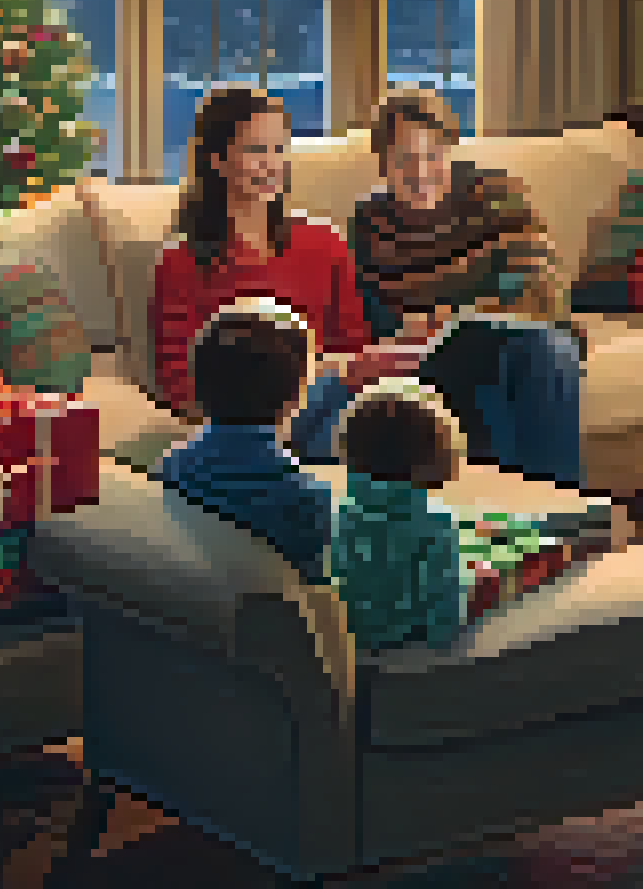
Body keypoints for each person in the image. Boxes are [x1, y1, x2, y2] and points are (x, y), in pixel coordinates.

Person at [287, 91, 585, 491]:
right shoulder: (369, 221)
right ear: (383, 163)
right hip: (423, 360)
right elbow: (372, 317)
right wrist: (403, 341)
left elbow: (540, 295)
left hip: (511, 342)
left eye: (432, 155)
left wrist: (450, 317)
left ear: (450, 152)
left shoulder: (497, 197)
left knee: (542, 349)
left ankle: (557, 506)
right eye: (404, 159)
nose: (420, 170)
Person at [152, 89, 370, 421]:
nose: (272, 164)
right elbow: (178, 382)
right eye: (256, 150)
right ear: (217, 160)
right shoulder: (181, 260)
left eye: (279, 149)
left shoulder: (325, 242)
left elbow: (354, 350)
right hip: (238, 418)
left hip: (323, 404)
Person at [154, 298, 333, 586]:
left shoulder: (169, 467)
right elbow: (320, 586)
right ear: (296, 396)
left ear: (197, 387)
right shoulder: (304, 494)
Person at [331, 378, 470, 654]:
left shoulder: (338, 513)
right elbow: (446, 618)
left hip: (352, 649)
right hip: (411, 661)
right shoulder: (436, 524)